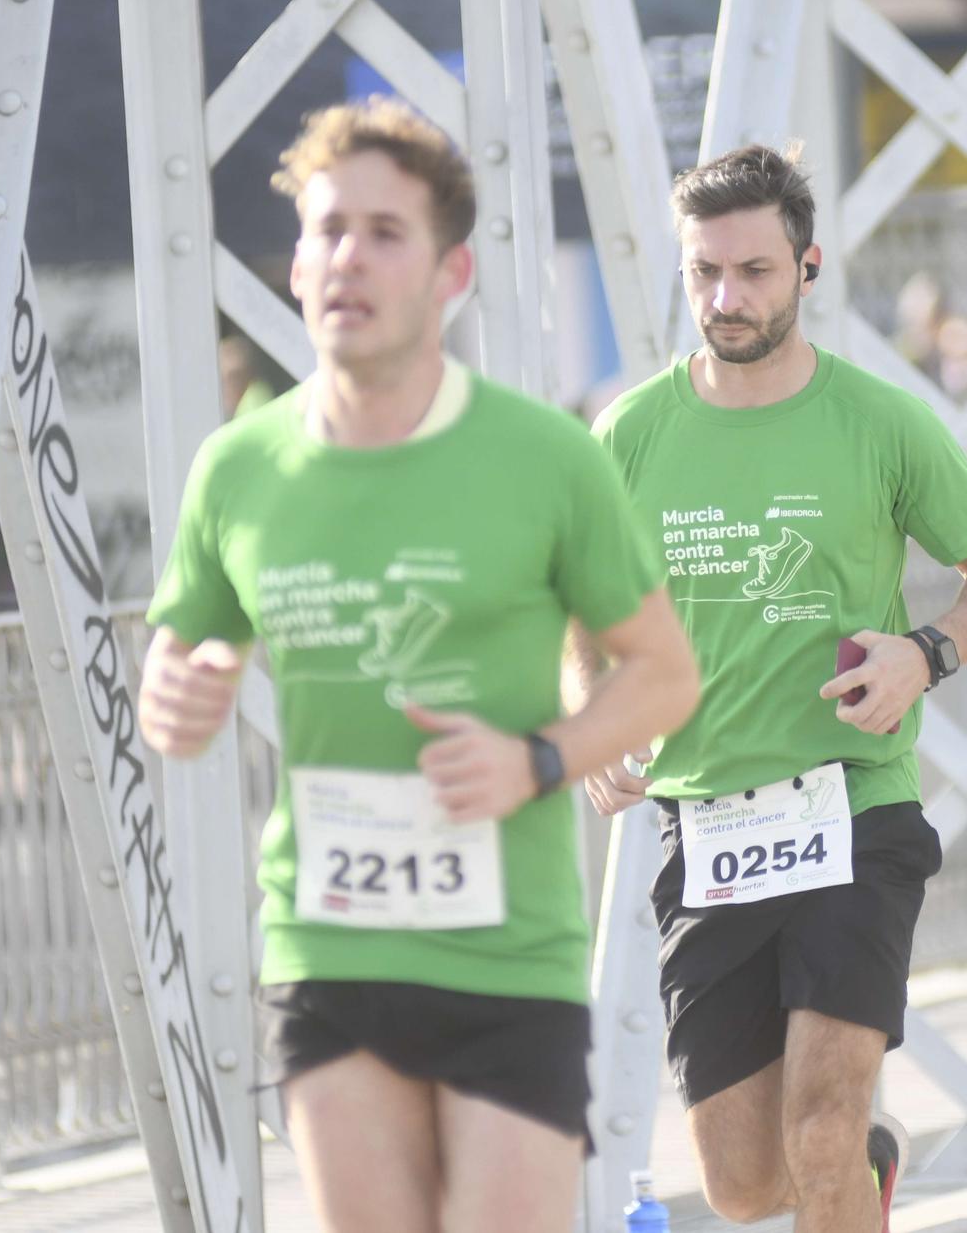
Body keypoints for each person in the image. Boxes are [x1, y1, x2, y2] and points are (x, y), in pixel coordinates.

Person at [137, 96, 700, 1233]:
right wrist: (177, 693)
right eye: (325, 228)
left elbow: (662, 673)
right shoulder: (237, 468)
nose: (346, 255)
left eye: (383, 232)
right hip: (327, 932)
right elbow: (179, 665)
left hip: (508, 954)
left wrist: (537, 758)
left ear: (446, 276)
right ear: (295, 265)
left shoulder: (542, 457)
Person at [574, 144, 967, 1233]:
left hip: (852, 806)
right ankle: (861, 1170)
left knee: (819, 1131)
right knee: (743, 1185)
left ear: (807, 266)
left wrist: (923, 652)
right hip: (707, 829)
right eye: (704, 274)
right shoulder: (630, 434)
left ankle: (845, 1161)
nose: (726, 298)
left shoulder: (879, 422)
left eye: (753, 271)